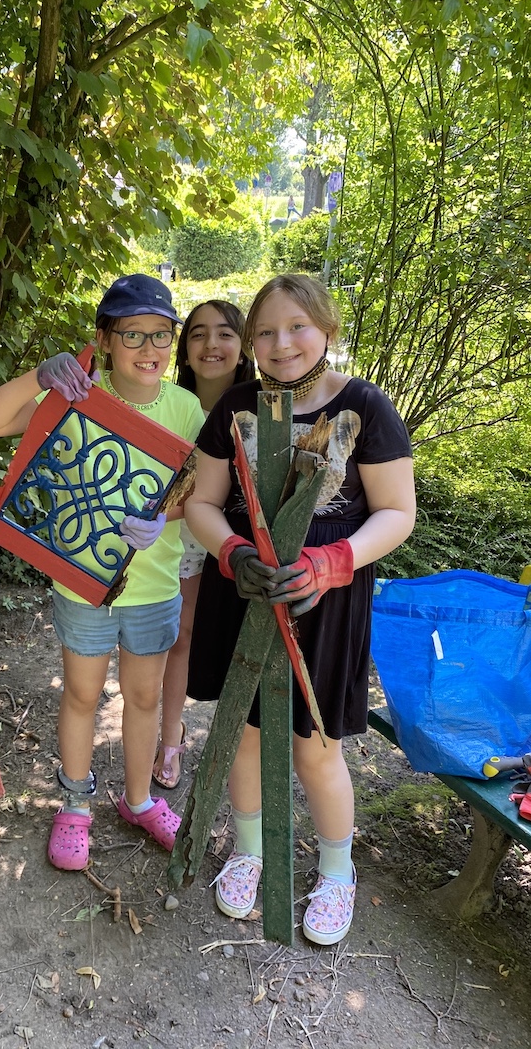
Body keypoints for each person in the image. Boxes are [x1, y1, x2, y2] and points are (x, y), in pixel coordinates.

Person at [185, 273, 415, 944]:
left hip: (327, 599)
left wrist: (331, 562)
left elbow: (397, 512)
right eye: (265, 331)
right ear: (250, 340)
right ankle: (250, 853)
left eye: (297, 327)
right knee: (246, 735)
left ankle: (337, 874)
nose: (280, 343)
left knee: (315, 748)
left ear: (327, 329)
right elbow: (201, 501)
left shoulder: (365, 406)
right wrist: (231, 554)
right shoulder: (235, 404)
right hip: (246, 590)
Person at [0, 274, 205, 870]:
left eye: (161, 335)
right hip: (82, 582)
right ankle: (75, 804)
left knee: (146, 695)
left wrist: (169, 515)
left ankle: (139, 800)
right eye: (133, 334)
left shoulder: (184, 407)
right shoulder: (76, 395)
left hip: (153, 586)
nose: (149, 349)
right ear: (103, 339)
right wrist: (40, 375)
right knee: (80, 692)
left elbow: (205, 485)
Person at [152, 300, 255, 790]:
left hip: (245, 540)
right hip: (181, 535)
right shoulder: (167, 402)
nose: (211, 345)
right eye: (198, 334)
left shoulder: (264, 404)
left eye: (225, 333)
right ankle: (170, 738)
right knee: (180, 637)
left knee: (241, 644)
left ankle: (244, 747)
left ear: (244, 345)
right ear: (184, 350)